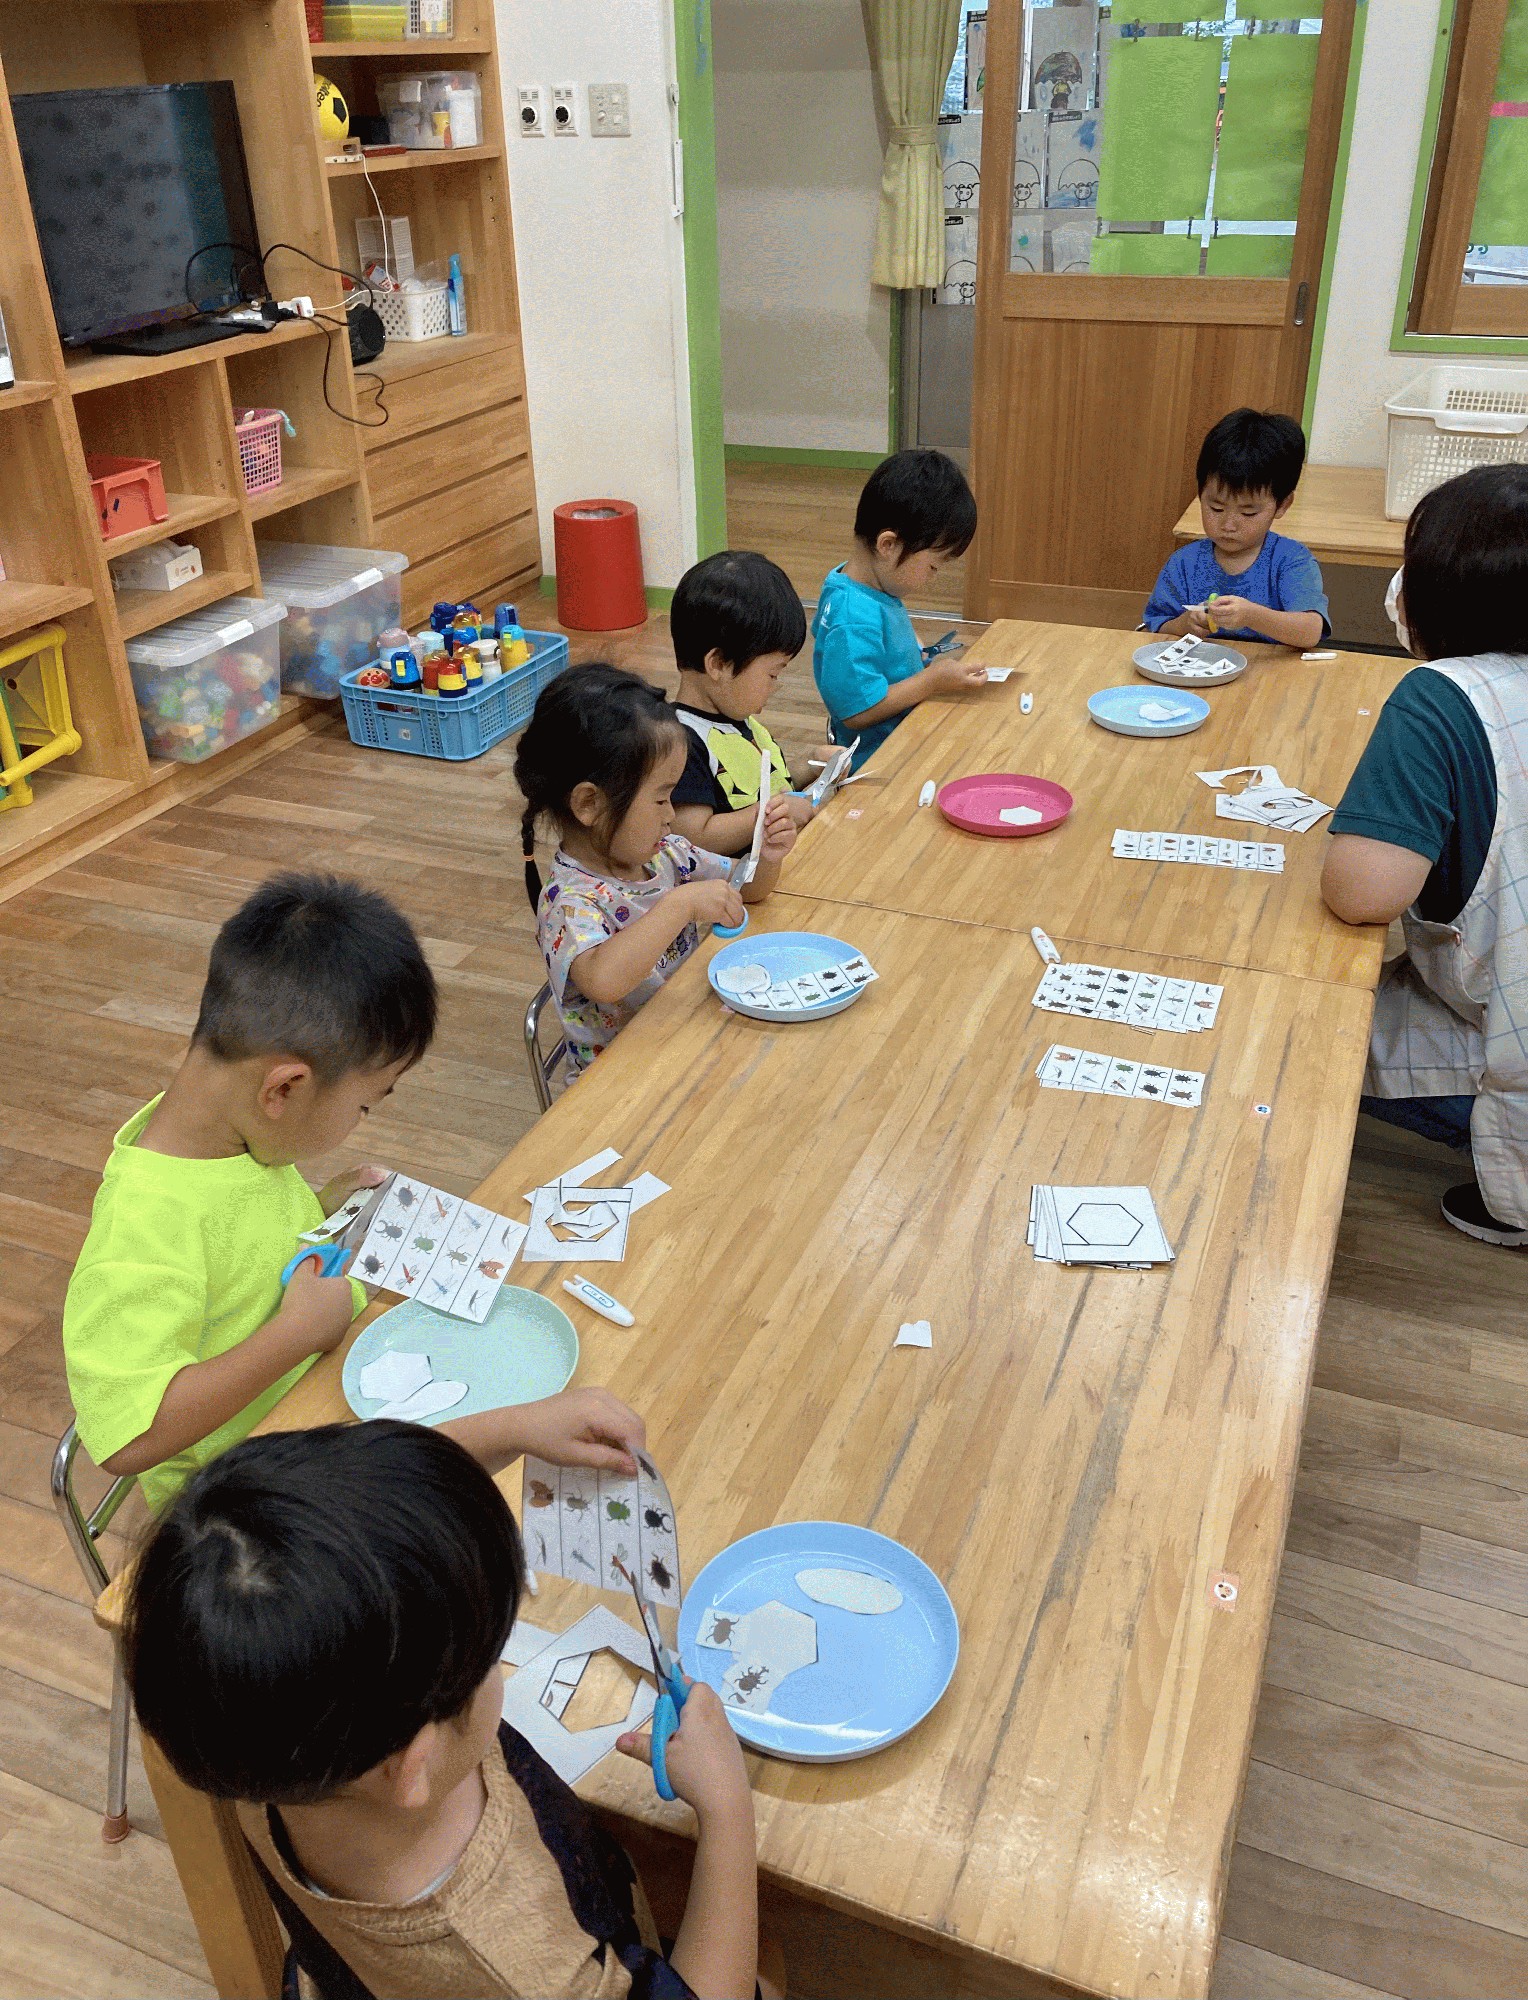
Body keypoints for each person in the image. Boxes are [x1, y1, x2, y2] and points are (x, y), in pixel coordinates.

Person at [125, 1420, 773, 2000]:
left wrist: (516, 1429)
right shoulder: (522, 1969)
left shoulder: (250, 1716)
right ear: (415, 1761)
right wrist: (726, 1810)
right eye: (488, 1653)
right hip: (585, 1945)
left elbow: (349, 1538)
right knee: (766, 1974)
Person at [63, 875, 438, 1511]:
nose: (361, 1121)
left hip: (315, 1414)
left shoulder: (238, 1136)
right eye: (366, 1106)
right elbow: (126, 1438)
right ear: (284, 1089)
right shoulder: (144, 1224)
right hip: (250, 1505)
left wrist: (324, 1212)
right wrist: (295, 1334)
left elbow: (242, 1253)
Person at [1321, 462, 1528, 1246]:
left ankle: (1508, 1185)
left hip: (1514, 1041)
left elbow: (1361, 893)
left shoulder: (1438, 700)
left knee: (1308, 1029)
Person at [517, 664, 795, 1079]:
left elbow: (747, 888)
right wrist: (680, 906)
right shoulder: (569, 902)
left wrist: (768, 854)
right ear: (590, 804)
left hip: (685, 1040)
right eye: (662, 799)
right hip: (621, 1083)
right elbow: (603, 979)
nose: (671, 815)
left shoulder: (666, 854)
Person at [812, 448, 986, 769]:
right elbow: (856, 711)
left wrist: (912, 654)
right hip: (877, 763)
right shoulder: (852, 617)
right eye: (933, 567)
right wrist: (930, 682)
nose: (933, 578)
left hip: (904, 739)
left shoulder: (868, 586)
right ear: (888, 545)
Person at [668, 550, 832, 855]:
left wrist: (813, 763)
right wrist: (773, 814)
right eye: (772, 674)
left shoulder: (736, 717)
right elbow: (693, 838)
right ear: (719, 664)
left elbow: (764, 786)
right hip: (739, 881)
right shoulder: (676, 743)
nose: (775, 686)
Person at [1144, 409, 1330, 649]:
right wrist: (1184, 624)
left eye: (1248, 513)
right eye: (1216, 508)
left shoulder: (1291, 560)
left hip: (1270, 669)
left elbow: (1310, 631)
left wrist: (1252, 616)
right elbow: (1154, 628)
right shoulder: (1184, 564)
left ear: (1283, 505)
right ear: (1200, 495)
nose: (1228, 525)